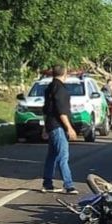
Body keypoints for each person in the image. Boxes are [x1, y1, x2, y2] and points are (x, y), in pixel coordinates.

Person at [41, 64, 78, 194]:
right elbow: (61, 111)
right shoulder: (61, 90)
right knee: (63, 156)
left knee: (51, 155)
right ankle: (69, 185)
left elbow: (46, 110)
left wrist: (45, 127)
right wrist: (69, 128)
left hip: (51, 125)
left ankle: (47, 183)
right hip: (58, 126)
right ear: (64, 74)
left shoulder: (49, 88)